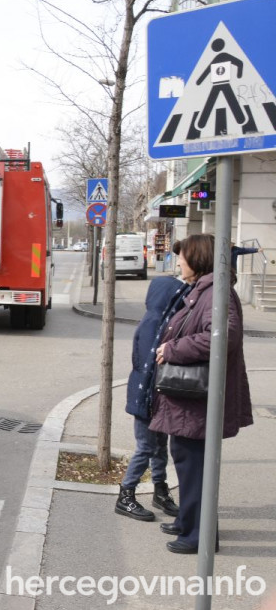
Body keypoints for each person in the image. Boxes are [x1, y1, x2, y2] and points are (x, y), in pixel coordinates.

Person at [150, 234, 253, 554]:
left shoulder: (216, 292)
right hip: (193, 400)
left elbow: (223, 336)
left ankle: (199, 535)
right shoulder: (206, 289)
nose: (178, 262)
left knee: (194, 465)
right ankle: (189, 521)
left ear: (198, 259)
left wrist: (172, 349)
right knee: (186, 460)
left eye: (182, 257)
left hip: (199, 399)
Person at [115, 274, 187, 522]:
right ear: (168, 298)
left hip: (155, 396)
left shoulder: (161, 319)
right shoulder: (155, 322)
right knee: (146, 447)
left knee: (159, 447)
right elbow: (148, 365)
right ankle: (126, 495)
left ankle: (160, 491)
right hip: (147, 397)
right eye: (179, 296)